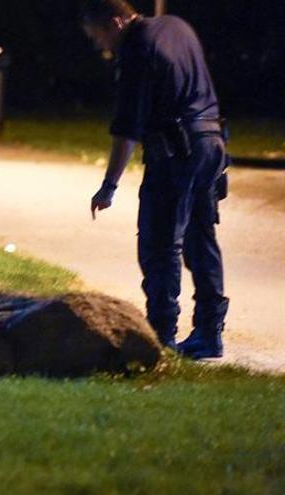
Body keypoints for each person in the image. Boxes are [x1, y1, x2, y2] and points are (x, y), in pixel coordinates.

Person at [80, 0, 230, 358]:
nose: (101, 46)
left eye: (98, 36)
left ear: (116, 23)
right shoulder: (177, 25)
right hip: (213, 143)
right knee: (201, 239)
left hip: (176, 151)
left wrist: (109, 185)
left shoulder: (136, 47)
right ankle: (210, 333)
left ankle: (160, 338)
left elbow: (127, 127)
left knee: (160, 245)